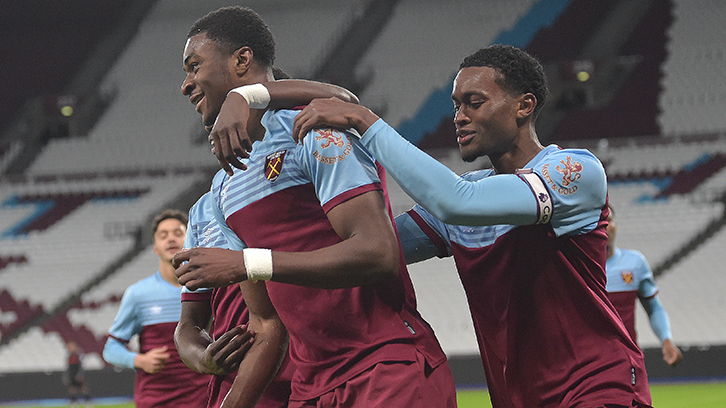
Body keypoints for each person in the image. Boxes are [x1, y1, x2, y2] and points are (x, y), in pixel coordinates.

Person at [254, 44, 652, 407]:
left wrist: (364, 120)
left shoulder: (574, 171)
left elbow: (456, 202)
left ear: (524, 106)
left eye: (474, 103)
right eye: (457, 105)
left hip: (599, 387)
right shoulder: (468, 199)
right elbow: (371, 248)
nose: (460, 117)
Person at [173, 6, 457, 408]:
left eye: (193, 66)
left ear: (241, 60)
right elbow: (267, 325)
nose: (185, 84)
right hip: (310, 390)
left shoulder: (314, 131)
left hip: (385, 369)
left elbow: (378, 253)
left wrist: (248, 263)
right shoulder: (223, 189)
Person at [175, 191, 293, 408]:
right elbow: (189, 322)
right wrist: (203, 358)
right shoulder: (203, 209)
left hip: (310, 371)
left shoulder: (298, 176)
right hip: (236, 378)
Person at [103, 209, 210, 408]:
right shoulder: (139, 294)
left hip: (205, 399)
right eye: (163, 235)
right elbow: (111, 349)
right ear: (155, 248)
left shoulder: (210, 289)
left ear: (192, 239)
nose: (171, 239)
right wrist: (139, 360)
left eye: (178, 233)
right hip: (157, 400)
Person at [606, 204, 683, 366]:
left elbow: (654, 308)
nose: (606, 226)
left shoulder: (634, 262)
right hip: (587, 361)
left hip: (627, 358)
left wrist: (666, 339)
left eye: (610, 220)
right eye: (600, 221)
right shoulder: (575, 266)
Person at [63, 341, 92, 408]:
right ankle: (73, 402)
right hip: (71, 373)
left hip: (78, 373)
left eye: (71, 347)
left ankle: (88, 401)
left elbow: (81, 366)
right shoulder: (69, 356)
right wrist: (66, 376)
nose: (70, 348)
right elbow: (67, 367)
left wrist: (80, 374)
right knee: (72, 389)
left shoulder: (79, 355)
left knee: (83, 388)